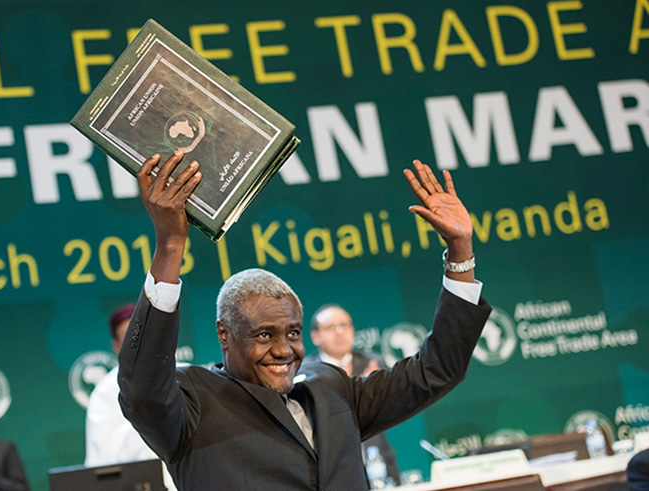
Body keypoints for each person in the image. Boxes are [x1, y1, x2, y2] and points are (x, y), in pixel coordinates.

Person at [118, 151, 491, 490]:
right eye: (264, 335)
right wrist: (169, 244)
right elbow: (143, 388)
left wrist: (460, 251)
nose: (283, 350)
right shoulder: (194, 402)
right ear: (225, 335)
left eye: (292, 333)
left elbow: (436, 370)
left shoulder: (330, 386)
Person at [84, 304, 177, 489]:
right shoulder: (105, 392)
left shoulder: (184, 373)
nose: (141, 341)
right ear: (117, 345)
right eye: (130, 335)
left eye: (146, 332)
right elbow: (102, 461)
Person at [306, 307, 400, 488]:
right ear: (315, 336)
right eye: (330, 327)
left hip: (379, 462)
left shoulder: (373, 364)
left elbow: (391, 409)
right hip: (335, 471)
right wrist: (362, 390)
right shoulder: (307, 374)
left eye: (344, 325)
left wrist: (375, 387)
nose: (339, 332)